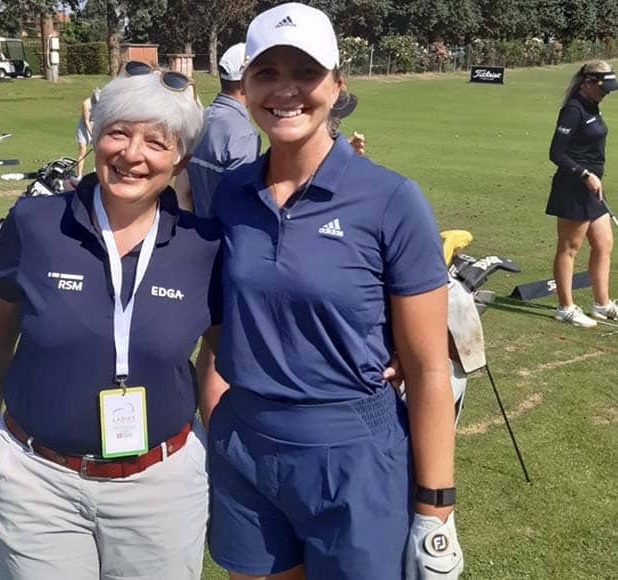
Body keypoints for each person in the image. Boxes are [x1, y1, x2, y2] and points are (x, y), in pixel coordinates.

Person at [198, 4, 463, 579]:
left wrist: (435, 509)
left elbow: (428, 369)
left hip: (353, 453)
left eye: (306, 73)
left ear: (337, 85)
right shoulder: (232, 193)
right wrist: (218, 405)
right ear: (244, 87)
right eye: (267, 73)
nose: (285, 90)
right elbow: (223, 319)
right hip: (245, 445)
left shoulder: (391, 199)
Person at [0, 67, 217, 580]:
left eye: (156, 141)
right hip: (35, 479)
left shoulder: (205, 246)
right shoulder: (34, 223)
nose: (132, 154)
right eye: (119, 132)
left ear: (180, 161)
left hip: (160, 485)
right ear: (95, 136)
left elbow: (219, 357)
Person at [546, 60, 618, 327]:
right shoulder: (573, 110)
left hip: (592, 188)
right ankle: (565, 307)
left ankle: (602, 304)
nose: (607, 93)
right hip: (573, 188)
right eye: (603, 88)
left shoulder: (592, 106)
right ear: (588, 83)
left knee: (603, 244)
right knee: (569, 248)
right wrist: (585, 174)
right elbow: (556, 153)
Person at [179, 43, 261, 216]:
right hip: (221, 237)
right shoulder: (245, 135)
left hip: (194, 230)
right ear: (246, 82)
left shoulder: (200, 117)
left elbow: (183, 191)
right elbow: (239, 203)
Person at [75, 87, 100, 178]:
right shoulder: (86, 103)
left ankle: (96, 171)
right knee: (82, 150)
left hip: (95, 125)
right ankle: (79, 175)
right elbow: (86, 121)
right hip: (83, 127)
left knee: (98, 150)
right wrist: (92, 135)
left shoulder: (101, 102)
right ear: (92, 96)